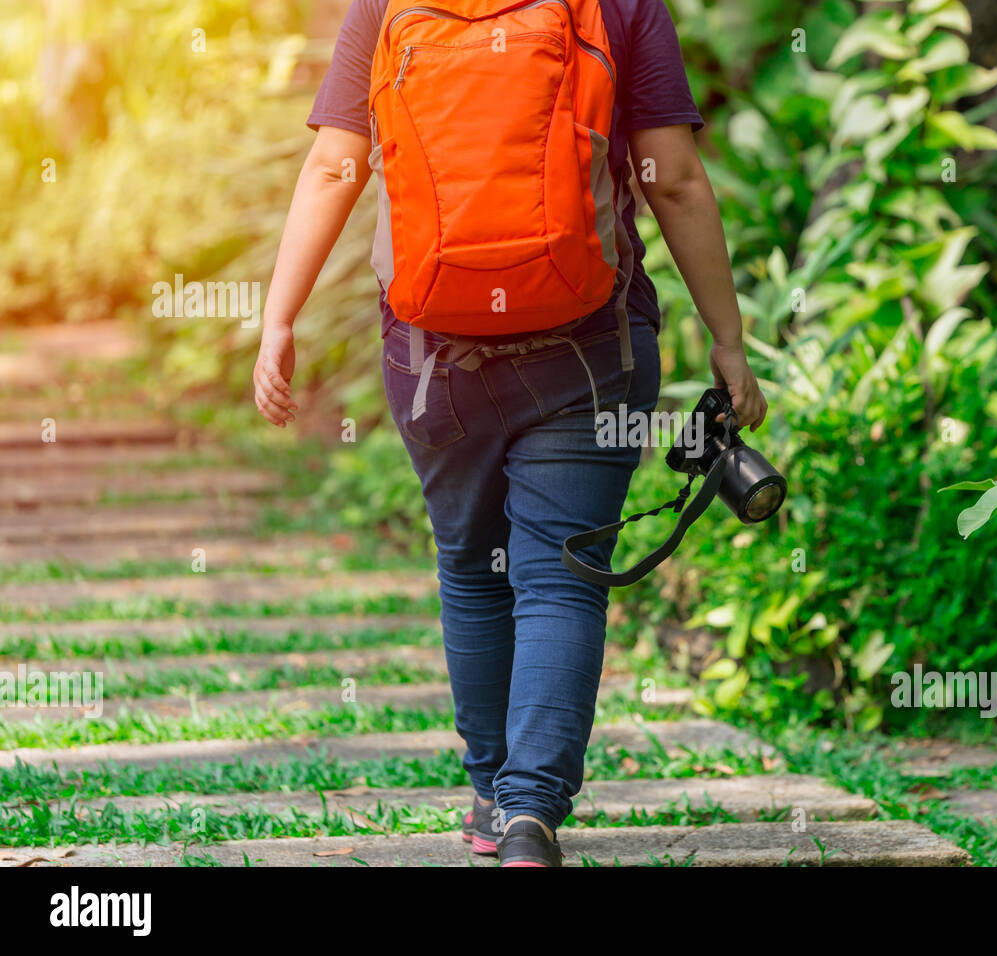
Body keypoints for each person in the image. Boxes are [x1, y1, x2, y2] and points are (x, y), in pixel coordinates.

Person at [252, 0, 767, 867]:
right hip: (589, 345)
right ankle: (532, 813)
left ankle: (492, 795)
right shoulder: (621, 4)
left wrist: (279, 316)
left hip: (431, 359)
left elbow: (335, 167)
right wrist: (727, 335)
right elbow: (671, 174)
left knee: (472, 567)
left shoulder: (385, 5)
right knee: (563, 574)